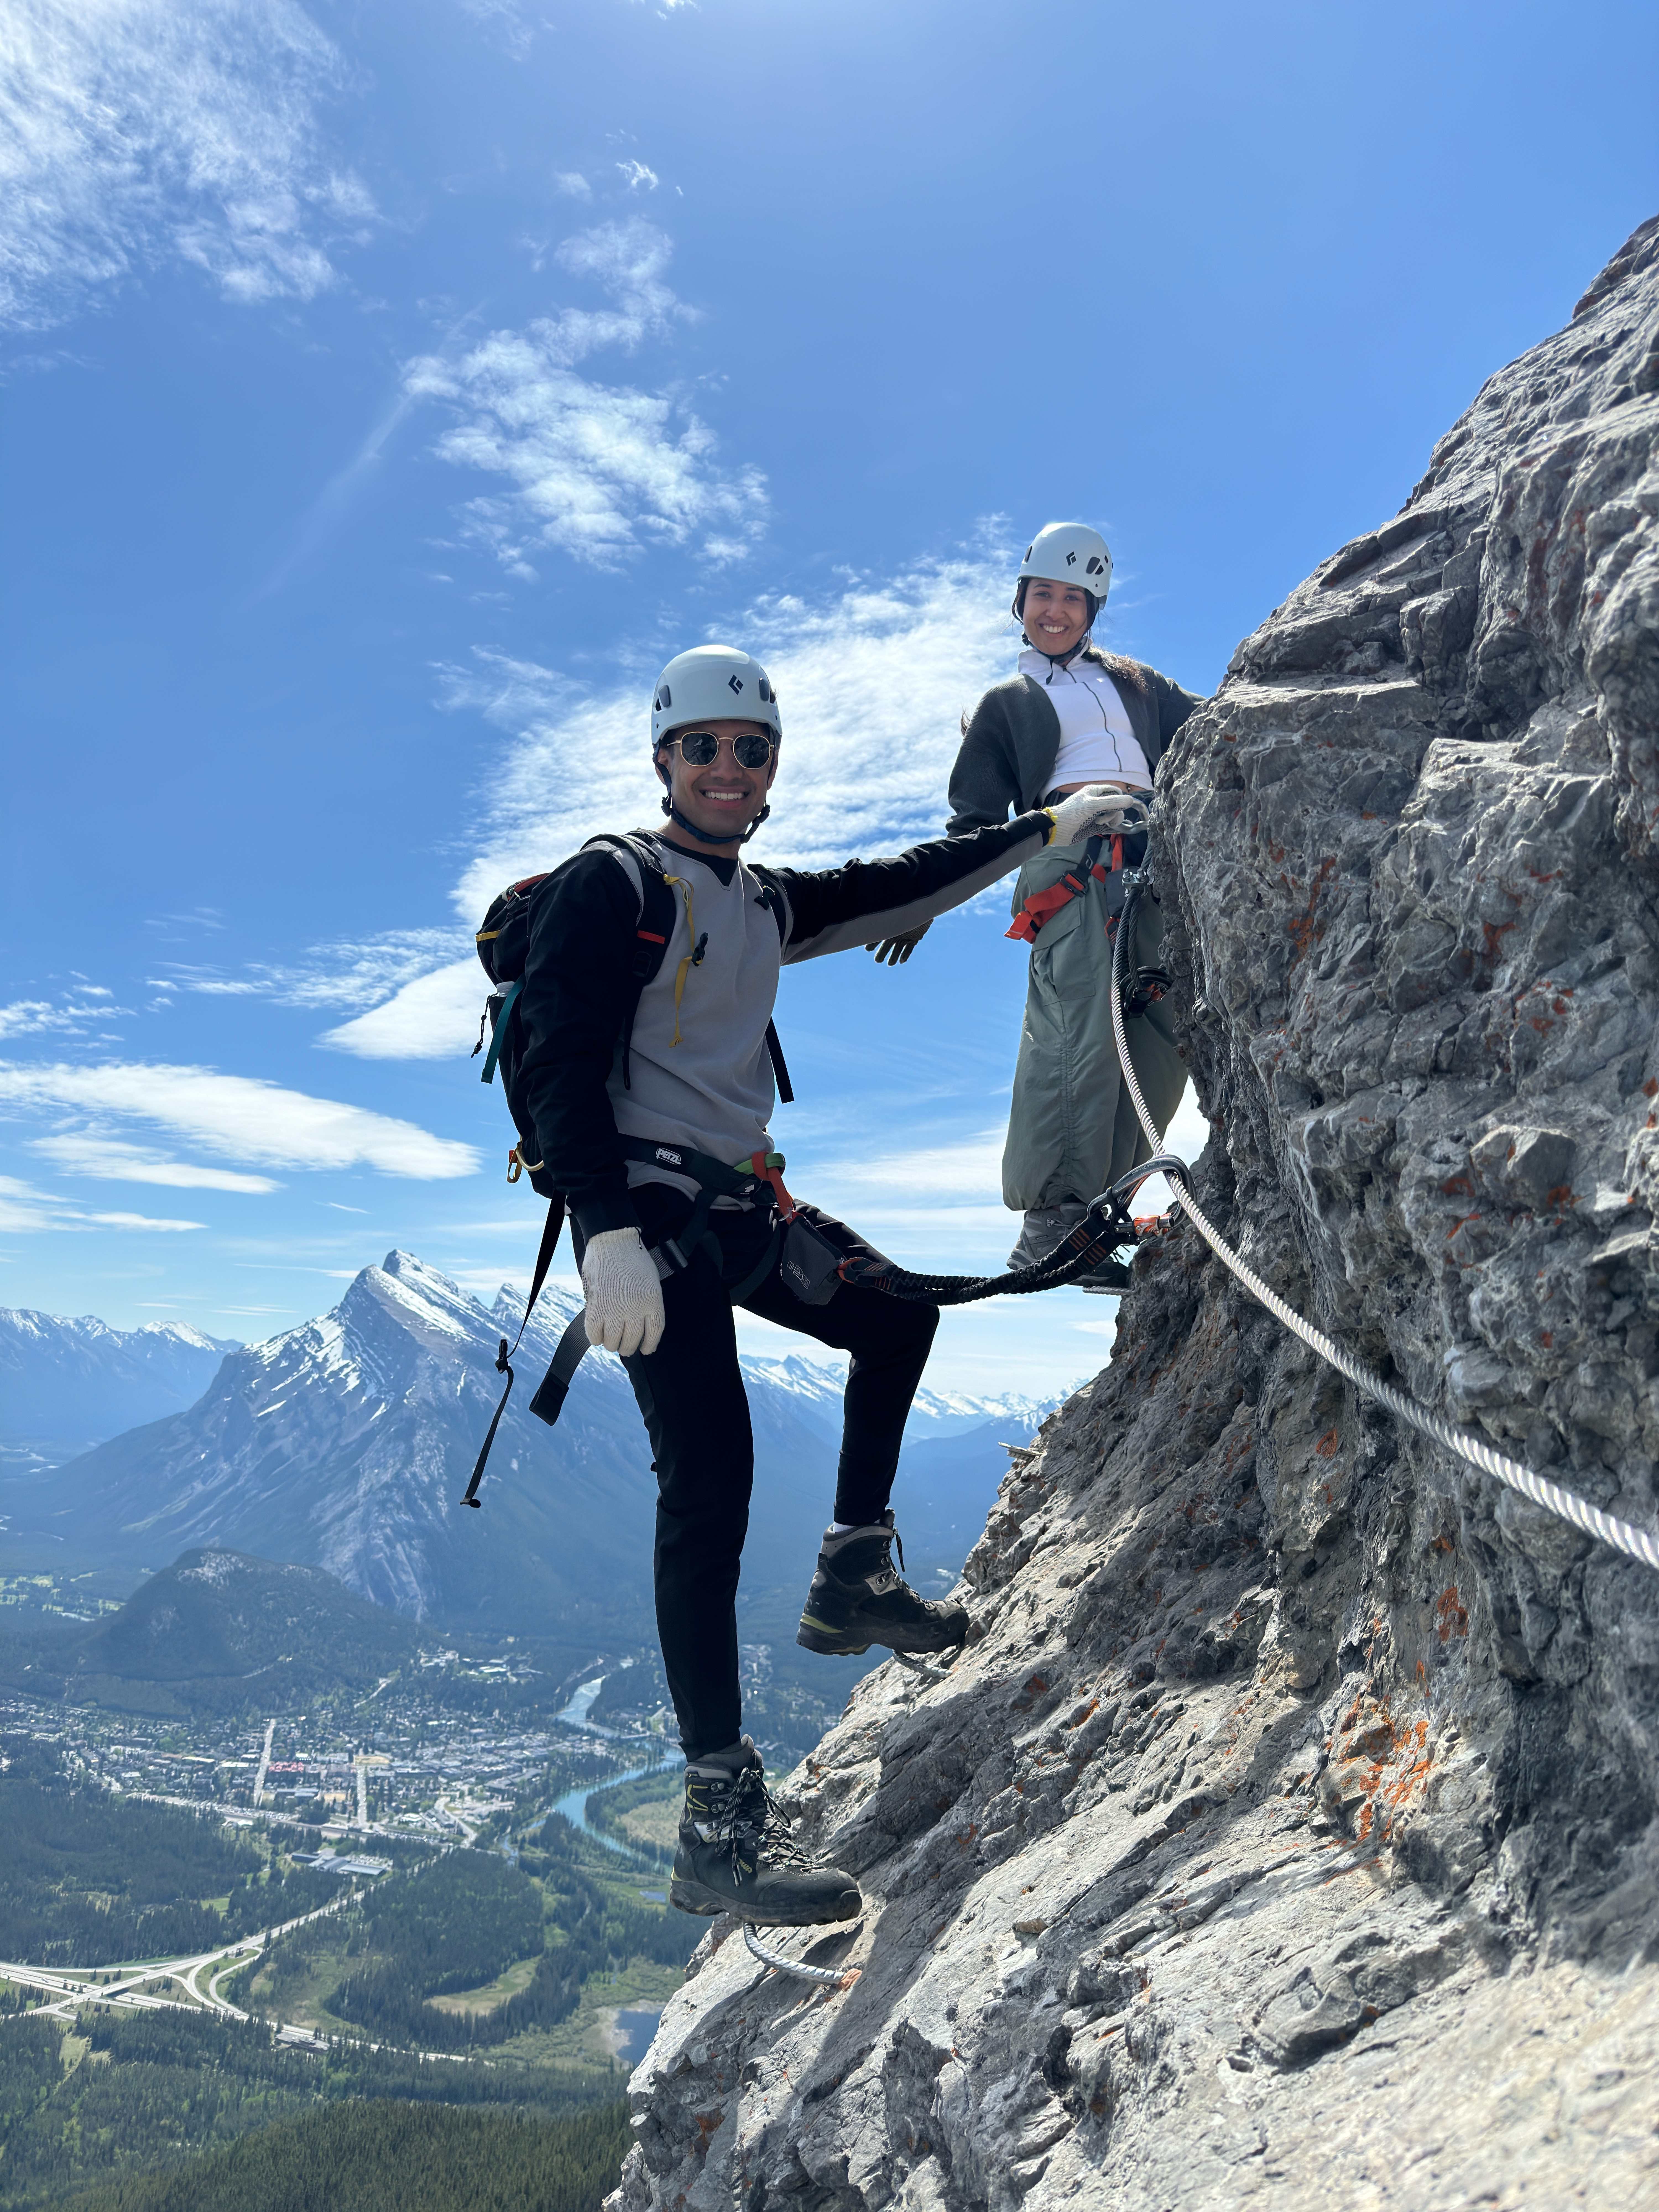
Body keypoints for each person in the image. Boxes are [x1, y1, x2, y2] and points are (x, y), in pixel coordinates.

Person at [513, 643, 1136, 1926]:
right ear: (664, 761)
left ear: (771, 766)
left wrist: (1046, 828)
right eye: (704, 748)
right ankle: (716, 1832)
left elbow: (895, 881)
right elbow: (553, 1056)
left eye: (751, 750)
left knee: (897, 1313)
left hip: (736, 1204)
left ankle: (852, 1574)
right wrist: (602, 1230)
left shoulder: (760, 903)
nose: (729, 768)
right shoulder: (612, 883)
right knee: (711, 1482)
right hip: (650, 1221)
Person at [891, 523, 1205, 1290]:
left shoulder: (1140, 685)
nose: (1055, 611)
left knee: (1158, 1043)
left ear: (1093, 608)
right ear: (1021, 602)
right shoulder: (1008, 704)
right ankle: (1050, 1226)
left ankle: (1099, 1222)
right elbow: (972, 821)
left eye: (1072, 597)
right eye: (1042, 595)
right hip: (1071, 857)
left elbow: (1213, 722)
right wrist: (920, 900)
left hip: (1155, 857)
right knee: (1077, 1036)